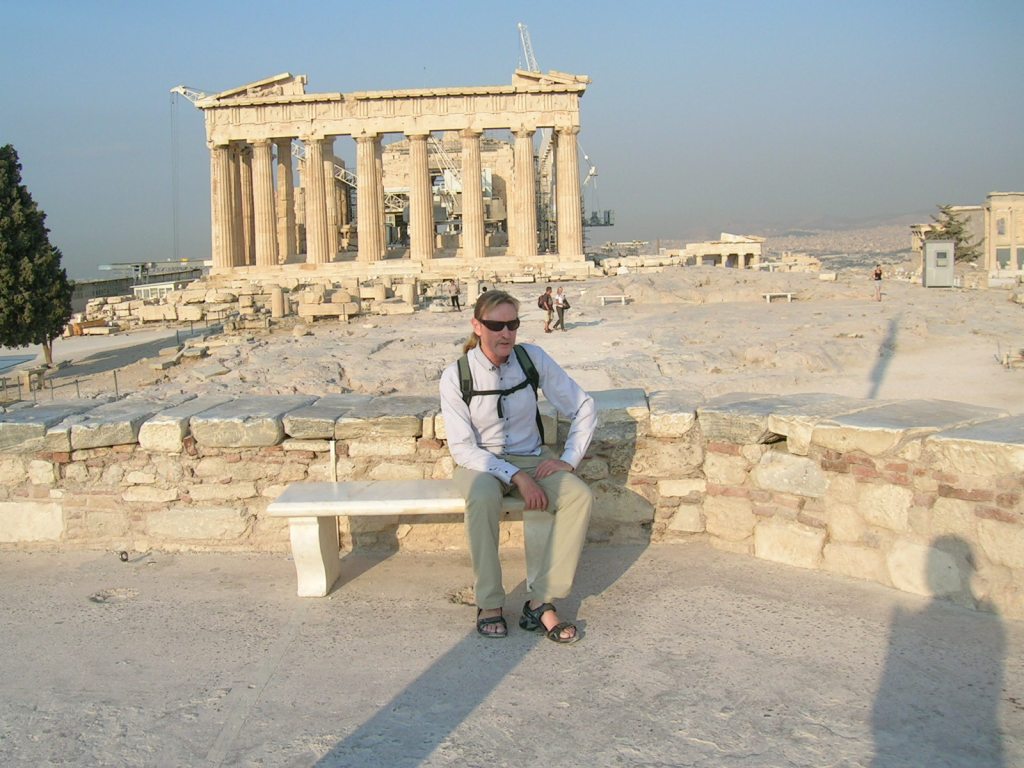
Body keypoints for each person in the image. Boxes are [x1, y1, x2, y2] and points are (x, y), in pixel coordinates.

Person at [439, 290, 596, 644]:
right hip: (481, 462)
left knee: (579, 496)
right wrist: (517, 477)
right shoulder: (456, 375)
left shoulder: (532, 359)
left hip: (531, 457)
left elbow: (583, 405)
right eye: (496, 325)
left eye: (513, 324)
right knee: (482, 497)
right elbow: (462, 448)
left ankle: (541, 601)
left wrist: (569, 459)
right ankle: (489, 602)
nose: (506, 333)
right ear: (477, 326)